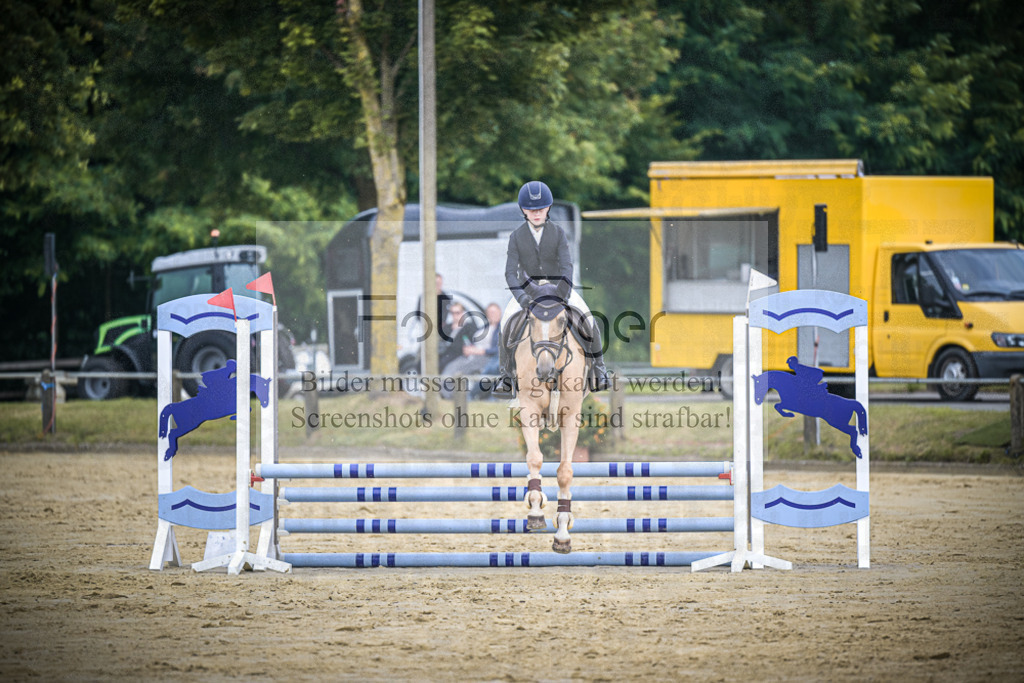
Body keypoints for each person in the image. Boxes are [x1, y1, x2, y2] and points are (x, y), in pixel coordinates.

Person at [493, 180, 610, 397]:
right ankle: (505, 377)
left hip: (558, 289)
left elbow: (567, 267)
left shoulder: (558, 233)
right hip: (529, 292)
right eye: (531, 209)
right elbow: (510, 273)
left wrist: (562, 294)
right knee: (505, 323)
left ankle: (599, 370)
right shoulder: (516, 237)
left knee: (588, 318)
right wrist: (521, 298)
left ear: (548, 208)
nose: (536, 213)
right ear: (524, 210)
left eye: (540, 208)